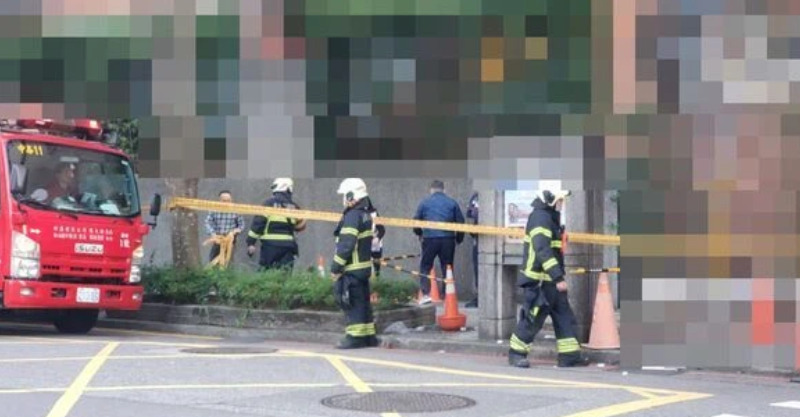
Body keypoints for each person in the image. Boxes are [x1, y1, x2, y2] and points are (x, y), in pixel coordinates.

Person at [507, 181, 589, 368]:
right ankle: (516, 353)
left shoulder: (549, 217)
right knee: (533, 319)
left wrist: (556, 277)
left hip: (549, 281)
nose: (562, 203)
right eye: (560, 199)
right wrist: (558, 277)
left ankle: (569, 356)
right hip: (539, 281)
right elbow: (542, 250)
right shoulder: (540, 218)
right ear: (550, 199)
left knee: (564, 318)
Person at [330, 178, 379, 349]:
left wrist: (336, 267)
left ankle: (355, 337)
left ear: (351, 196)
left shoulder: (352, 216)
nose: (343, 199)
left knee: (354, 303)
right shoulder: (365, 214)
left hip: (352, 267)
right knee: (363, 302)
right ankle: (369, 336)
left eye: (345, 195)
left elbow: (346, 244)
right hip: (364, 267)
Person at [412, 180, 465, 304]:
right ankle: (447, 295)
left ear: (431, 190)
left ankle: (426, 294)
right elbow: (461, 222)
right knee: (447, 267)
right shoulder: (452, 203)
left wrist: (419, 234)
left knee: (425, 266)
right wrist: (459, 239)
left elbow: (415, 222)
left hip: (430, 238)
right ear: (444, 190)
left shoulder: (424, 202)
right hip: (448, 239)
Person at [246, 178, 307, 270]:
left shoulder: (268, 203)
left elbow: (258, 223)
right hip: (288, 246)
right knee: (285, 273)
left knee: (267, 272)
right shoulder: (295, 207)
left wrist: (251, 242)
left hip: (270, 246)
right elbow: (300, 226)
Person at [204, 190, 245, 263]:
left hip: (230, 240)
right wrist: (213, 234)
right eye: (224, 201)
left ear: (231, 200)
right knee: (213, 259)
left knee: (228, 260)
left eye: (228, 200)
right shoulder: (214, 210)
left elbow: (241, 225)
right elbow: (208, 222)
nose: (226, 203)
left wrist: (234, 232)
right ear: (219, 200)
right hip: (217, 239)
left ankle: (227, 269)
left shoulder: (236, 210)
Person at [465, 191, 479, 308]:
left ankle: (481, 298)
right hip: (479, 239)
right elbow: (469, 216)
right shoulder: (476, 197)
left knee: (479, 270)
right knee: (478, 270)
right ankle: (481, 297)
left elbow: (469, 215)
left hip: (479, 240)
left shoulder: (476, 197)